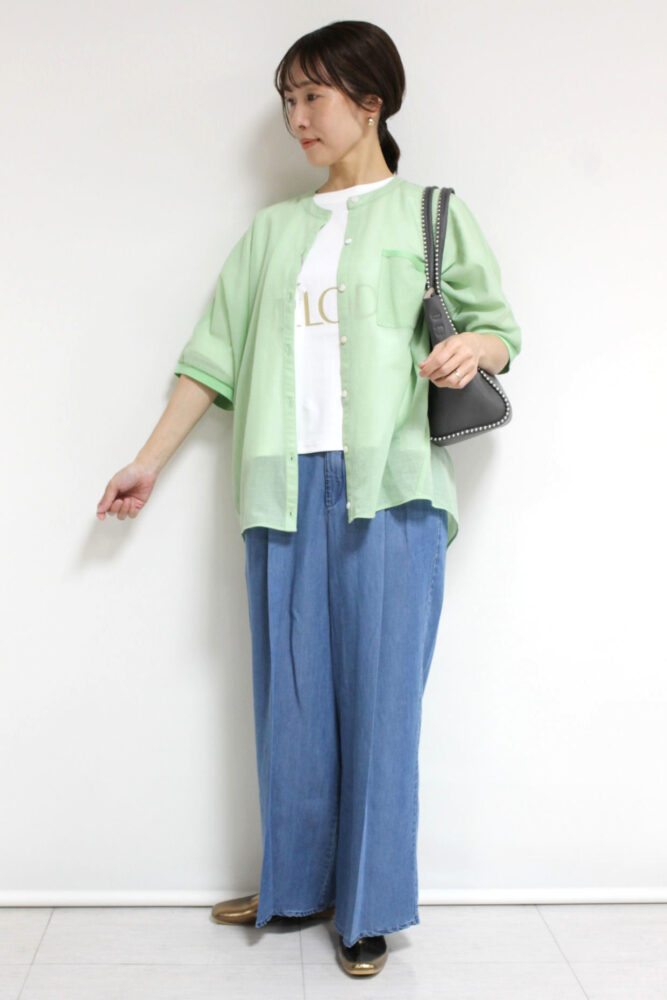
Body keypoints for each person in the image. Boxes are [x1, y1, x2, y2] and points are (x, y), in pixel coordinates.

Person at [96, 20, 522, 978]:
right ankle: (293, 885)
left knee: (380, 704)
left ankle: (368, 907)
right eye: (287, 99)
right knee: (290, 698)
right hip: (282, 484)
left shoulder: (432, 214)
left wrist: (471, 346)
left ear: (370, 101)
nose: (296, 117)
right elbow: (210, 358)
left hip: (393, 486)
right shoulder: (271, 232)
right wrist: (147, 461)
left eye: (312, 96)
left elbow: (499, 328)